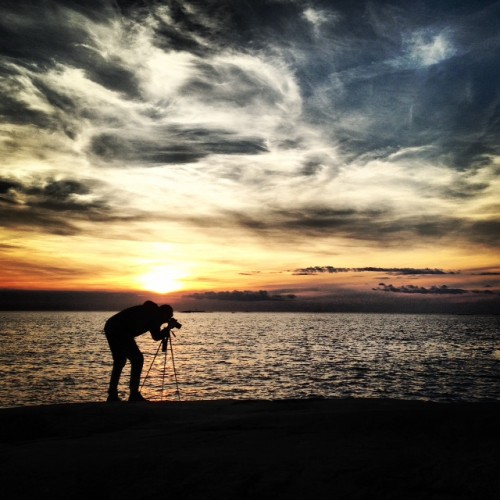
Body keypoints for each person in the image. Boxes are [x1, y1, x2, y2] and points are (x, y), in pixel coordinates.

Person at [104, 300, 174, 402]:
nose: (168, 319)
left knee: (119, 361)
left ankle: (112, 395)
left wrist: (167, 328)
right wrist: (168, 328)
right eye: (169, 316)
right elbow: (156, 336)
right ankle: (133, 394)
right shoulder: (154, 316)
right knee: (137, 359)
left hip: (111, 326)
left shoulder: (152, 313)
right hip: (119, 330)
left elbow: (156, 334)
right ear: (164, 313)